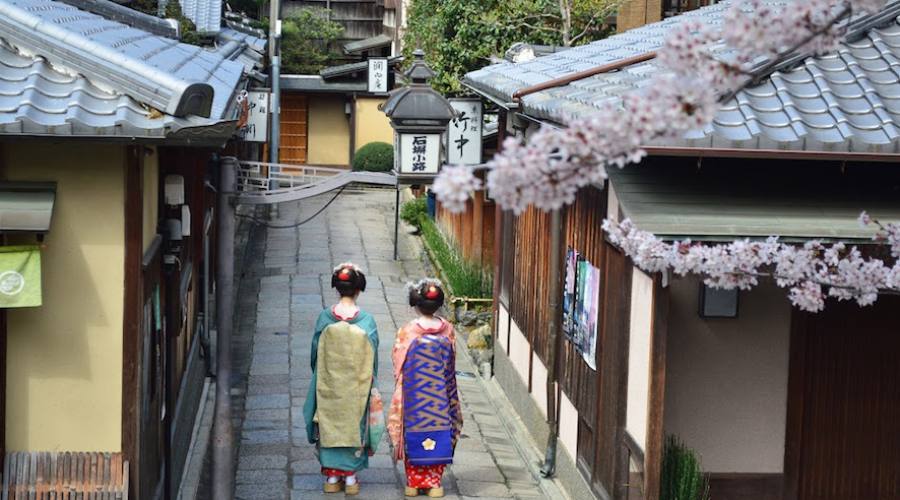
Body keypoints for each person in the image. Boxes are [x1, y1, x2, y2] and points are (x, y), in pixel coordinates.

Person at [302, 263, 379, 496]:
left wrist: (322, 372)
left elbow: (315, 352)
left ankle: (332, 477)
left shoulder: (325, 317)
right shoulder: (366, 321)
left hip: (329, 384)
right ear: (358, 290)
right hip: (357, 385)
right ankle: (351, 478)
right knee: (354, 423)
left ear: (337, 288)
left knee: (329, 421)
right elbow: (373, 355)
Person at [388, 279, 462, 498]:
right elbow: (451, 361)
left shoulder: (408, 331)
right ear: (439, 304)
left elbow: (397, 359)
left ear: (416, 303)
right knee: (441, 430)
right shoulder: (447, 330)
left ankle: (413, 482)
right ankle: (434, 483)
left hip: (413, 396)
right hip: (440, 395)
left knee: (410, 431)